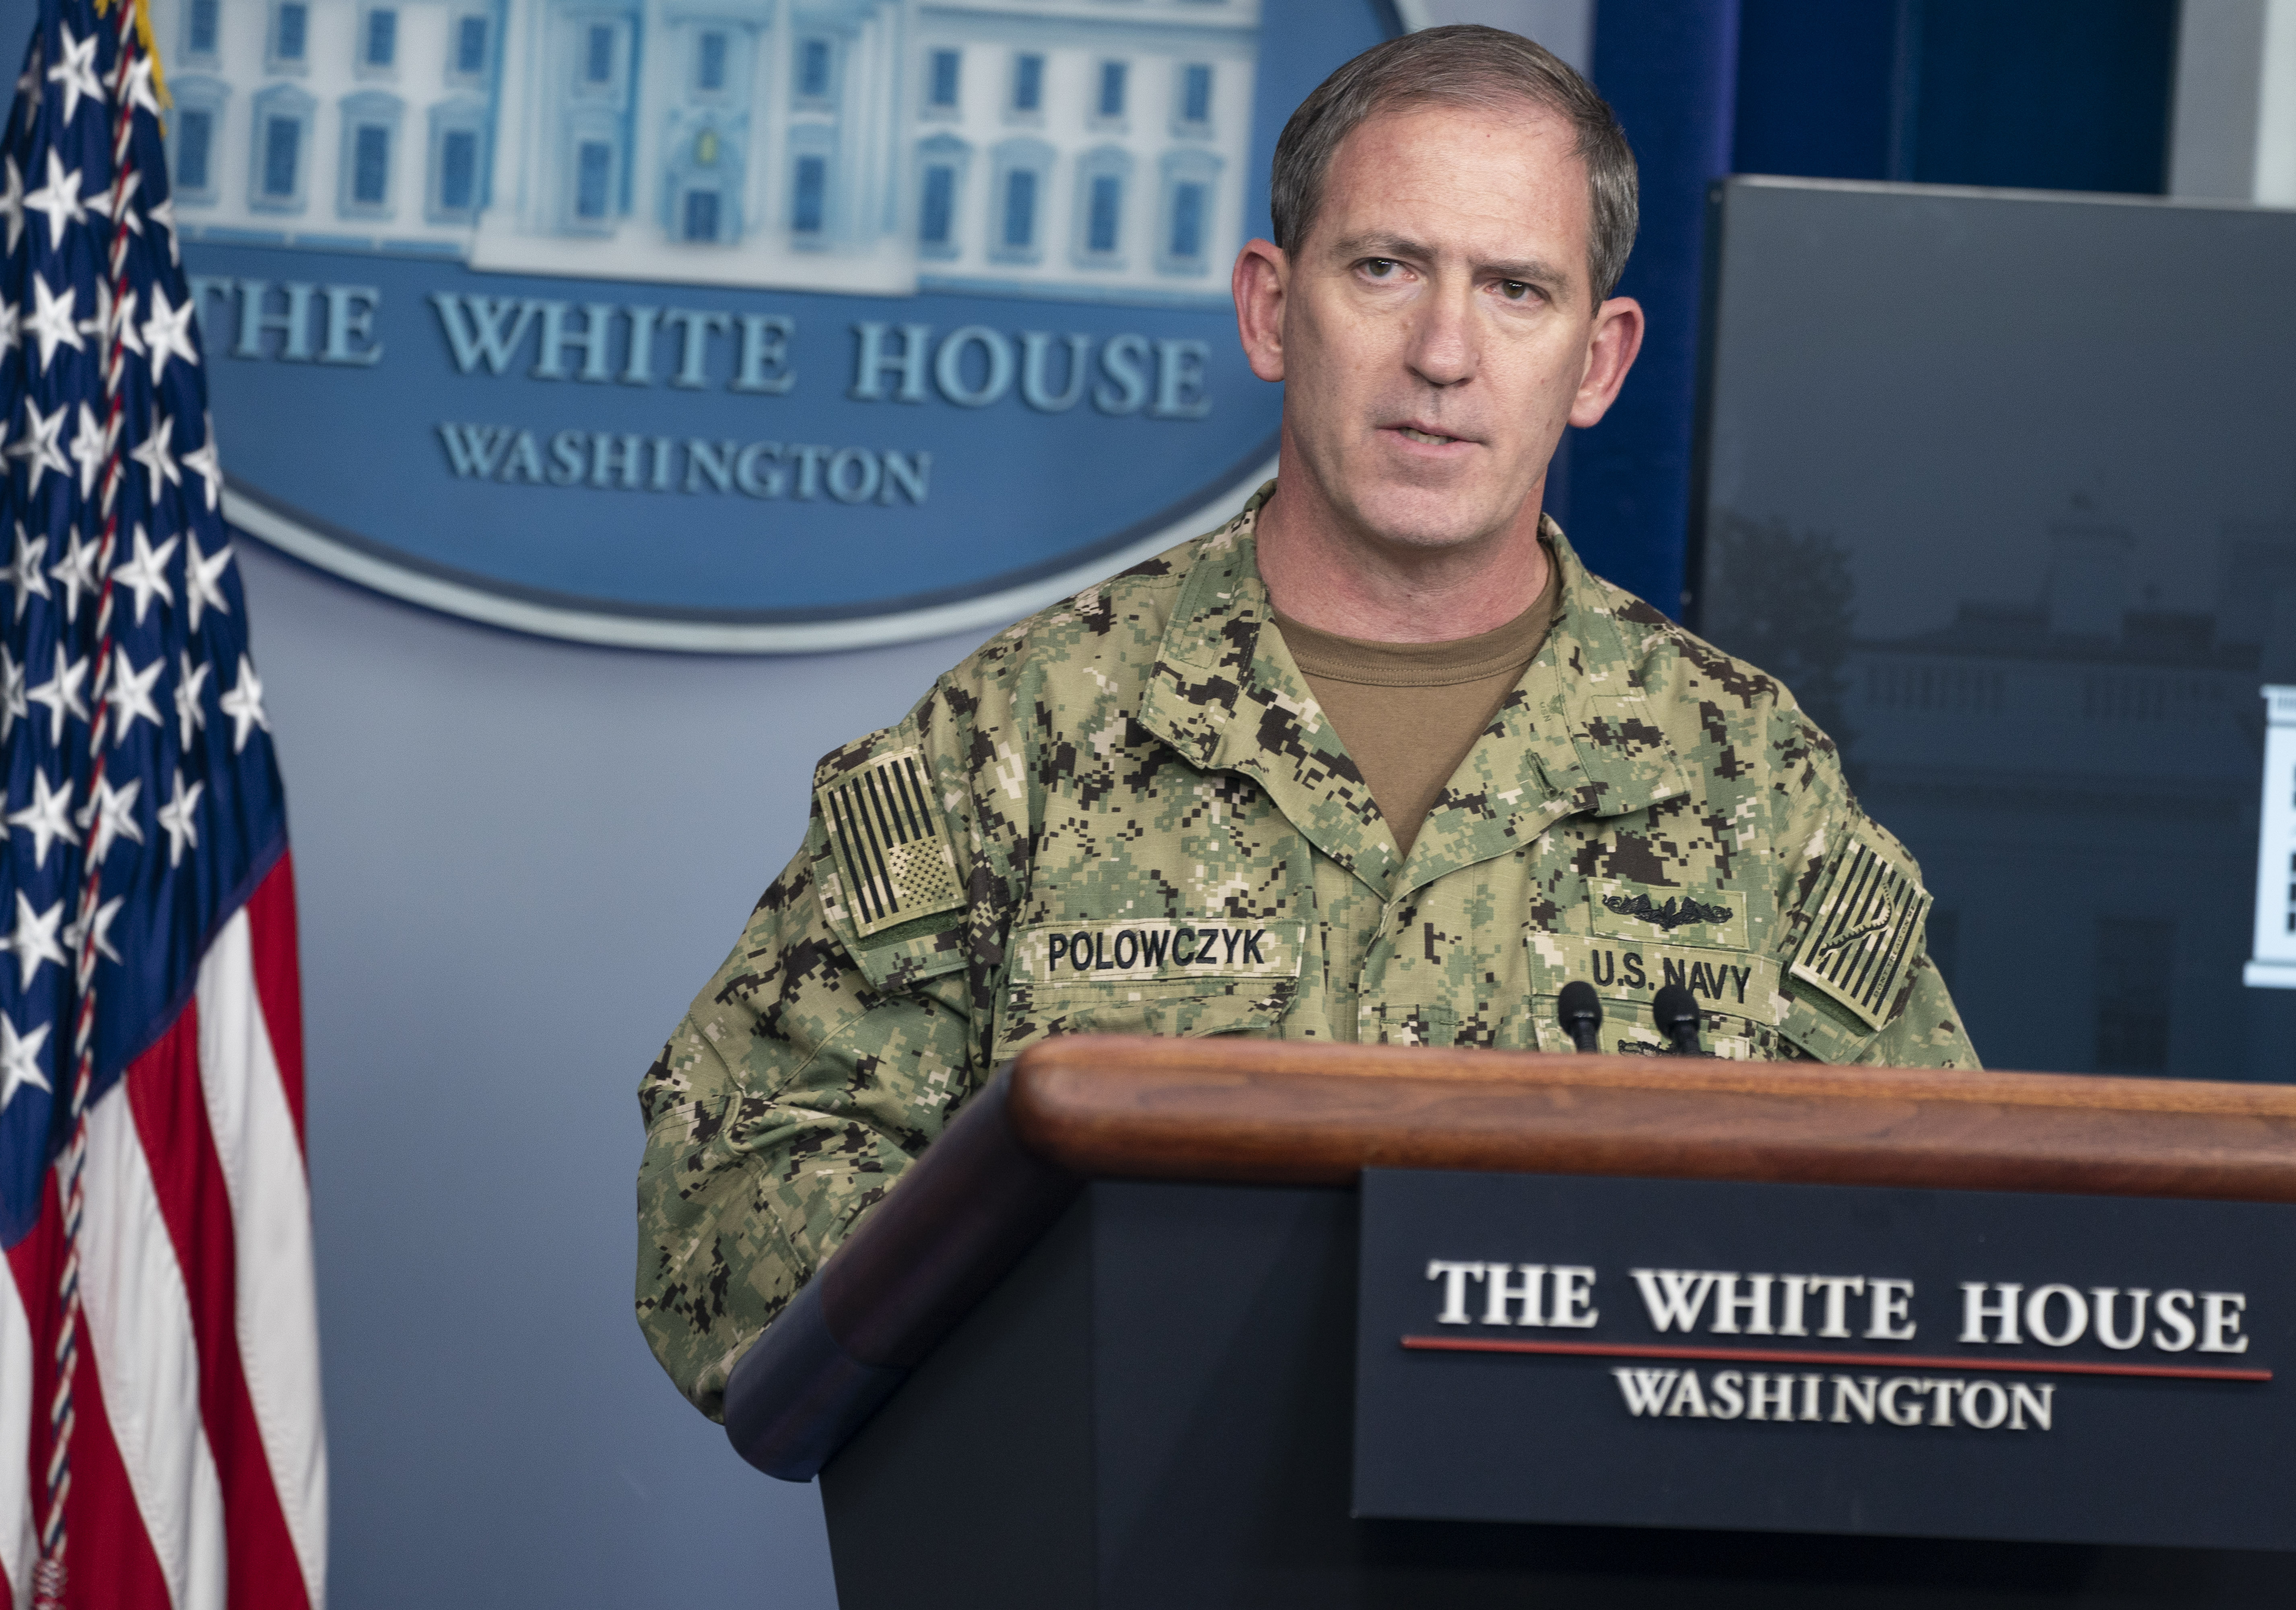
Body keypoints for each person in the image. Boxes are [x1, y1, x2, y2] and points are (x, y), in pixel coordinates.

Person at [635, 25, 1978, 1419]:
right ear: (1273, 310)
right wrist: (1094, 1337)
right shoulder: (1021, 737)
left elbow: (1929, 1231)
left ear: (1599, 358)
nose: (1445, 353)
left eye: (1518, 289)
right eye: (1386, 269)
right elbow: (729, 1186)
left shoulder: (1748, 776)